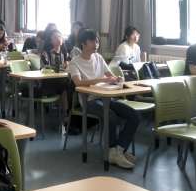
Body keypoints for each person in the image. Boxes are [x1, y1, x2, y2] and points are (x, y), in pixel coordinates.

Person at [69, 30, 141, 170]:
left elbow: (110, 75)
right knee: (110, 116)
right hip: (89, 100)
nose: (96, 44)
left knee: (135, 116)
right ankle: (113, 150)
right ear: (83, 43)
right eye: (92, 41)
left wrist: (116, 79)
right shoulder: (75, 62)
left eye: (97, 41)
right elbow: (78, 82)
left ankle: (118, 149)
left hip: (106, 96)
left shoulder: (99, 58)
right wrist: (103, 79)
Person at [32, 29, 70, 121]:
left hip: (61, 79)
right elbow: (46, 68)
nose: (58, 39)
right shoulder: (46, 52)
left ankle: (70, 113)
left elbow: (71, 64)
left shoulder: (65, 52)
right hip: (46, 81)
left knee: (71, 84)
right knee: (65, 85)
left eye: (60, 37)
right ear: (50, 41)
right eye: (55, 37)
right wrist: (62, 65)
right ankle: (67, 116)